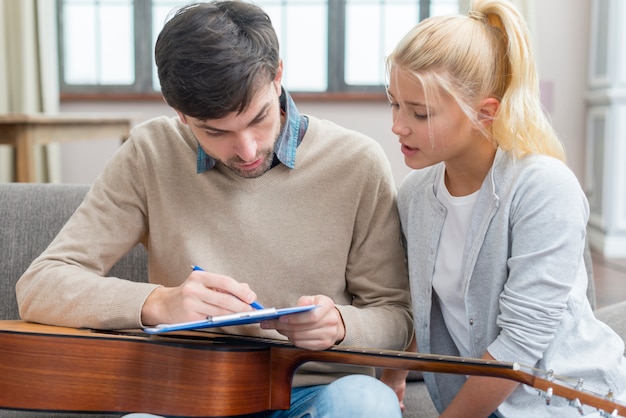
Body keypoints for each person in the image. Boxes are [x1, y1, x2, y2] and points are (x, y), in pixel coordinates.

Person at [15, 1, 413, 417]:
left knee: (366, 403)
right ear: (181, 114)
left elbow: (397, 315)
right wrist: (159, 302)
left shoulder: (357, 162)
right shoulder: (151, 152)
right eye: (216, 131)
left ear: (278, 75)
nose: (247, 150)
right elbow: (41, 285)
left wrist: (341, 326)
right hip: (188, 396)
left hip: (311, 396)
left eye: (258, 119)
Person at [380, 0, 626, 416]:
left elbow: (520, 346)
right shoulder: (415, 194)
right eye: (394, 103)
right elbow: (422, 308)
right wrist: (392, 377)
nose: (398, 126)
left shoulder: (543, 187)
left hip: (567, 401)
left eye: (419, 113)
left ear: (485, 112)